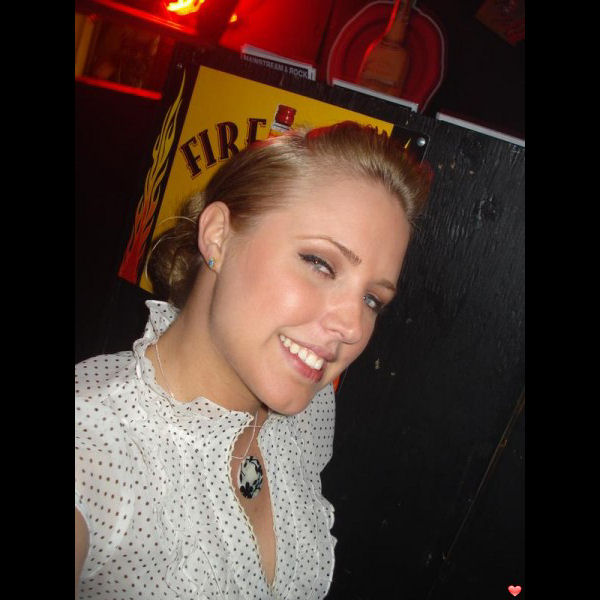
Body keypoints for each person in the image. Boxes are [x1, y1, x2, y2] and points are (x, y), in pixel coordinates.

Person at [75, 121, 430, 599]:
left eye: (372, 300)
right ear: (219, 236)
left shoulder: (310, 409)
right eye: (320, 263)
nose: (352, 327)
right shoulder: (93, 449)